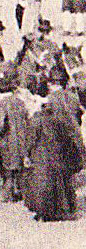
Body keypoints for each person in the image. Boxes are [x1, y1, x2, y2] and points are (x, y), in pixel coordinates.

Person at [24, 82, 85, 221]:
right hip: (57, 153)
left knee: (43, 184)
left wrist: (27, 154)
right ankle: (62, 209)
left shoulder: (36, 119)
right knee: (60, 182)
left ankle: (45, 212)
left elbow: (30, 139)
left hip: (41, 155)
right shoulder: (60, 119)